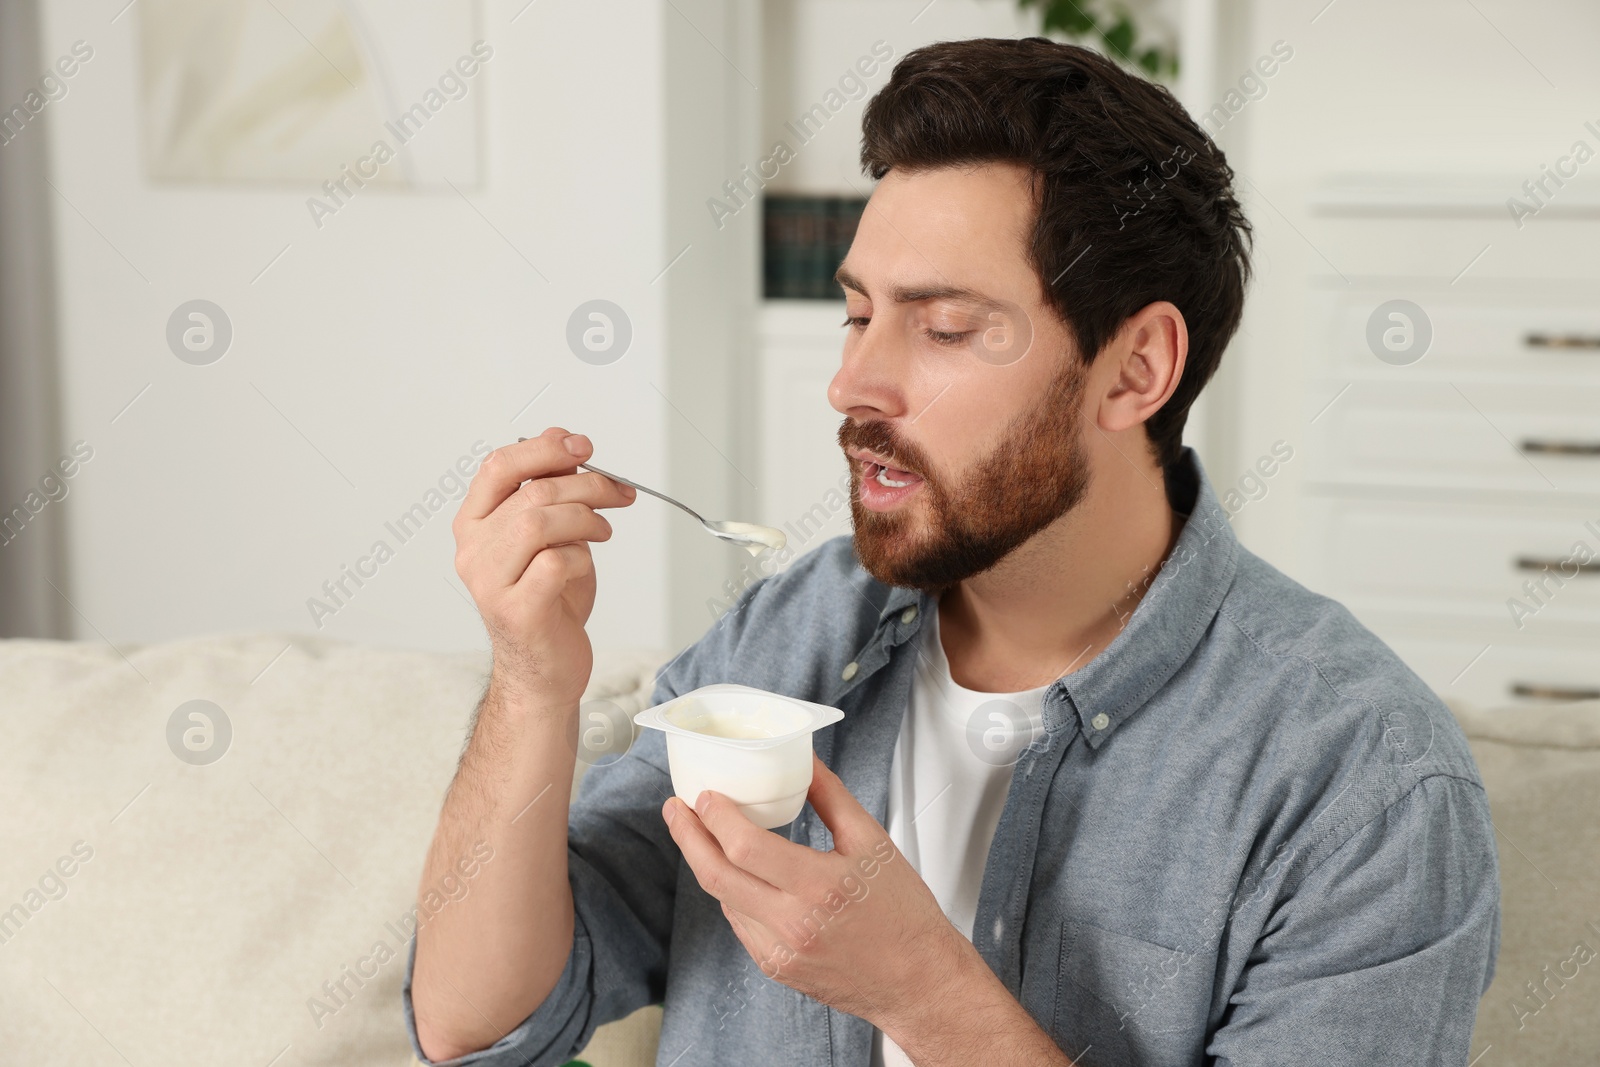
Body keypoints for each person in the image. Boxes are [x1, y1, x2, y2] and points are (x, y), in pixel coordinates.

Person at [405, 36, 1499, 1067]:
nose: (852, 385)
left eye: (941, 327)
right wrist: (532, 677)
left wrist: (925, 995)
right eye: (857, 313)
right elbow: (477, 1021)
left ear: (1133, 370)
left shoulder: (1363, 784)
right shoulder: (796, 631)